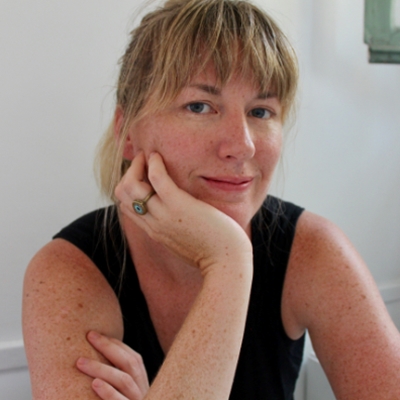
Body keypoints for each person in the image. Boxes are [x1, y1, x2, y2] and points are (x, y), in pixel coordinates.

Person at [22, 0, 400, 399]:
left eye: (260, 111)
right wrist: (228, 263)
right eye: (199, 106)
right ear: (127, 132)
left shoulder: (314, 250)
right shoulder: (67, 273)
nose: (242, 145)